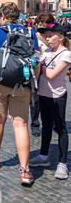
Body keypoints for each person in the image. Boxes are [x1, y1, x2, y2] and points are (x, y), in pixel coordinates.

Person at [0, 2, 39, 186]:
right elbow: (36, 62)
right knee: (21, 124)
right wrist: (33, 83)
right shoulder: (30, 33)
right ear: (18, 16)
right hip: (22, 83)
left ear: (2, 16)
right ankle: (25, 171)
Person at [30, 24, 70, 180]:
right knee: (46, 125)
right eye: (45, 36)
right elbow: (38, 74)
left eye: (50, 35)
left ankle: (62, 163)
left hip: (57, 96)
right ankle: (43, 156)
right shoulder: (45, 52)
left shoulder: (66, 54)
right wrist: (35, 65)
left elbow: (52, 74)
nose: (47, 38)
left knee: (60, 128)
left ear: (60, 37)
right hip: (43, 94)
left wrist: (41, 64)